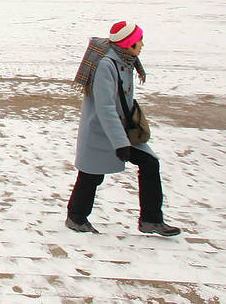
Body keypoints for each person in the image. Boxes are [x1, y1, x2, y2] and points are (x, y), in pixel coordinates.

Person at [65, 22, 180, 236]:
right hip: (102, 132)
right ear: (128, 44)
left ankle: (151, 220)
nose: (142, 44)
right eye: (139, 40)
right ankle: (76, 217)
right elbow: (105, 107)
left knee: (149, 163)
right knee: (91, 174)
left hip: (120, 129)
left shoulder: (125, 61)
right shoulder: (107, 65)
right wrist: (120, 142)